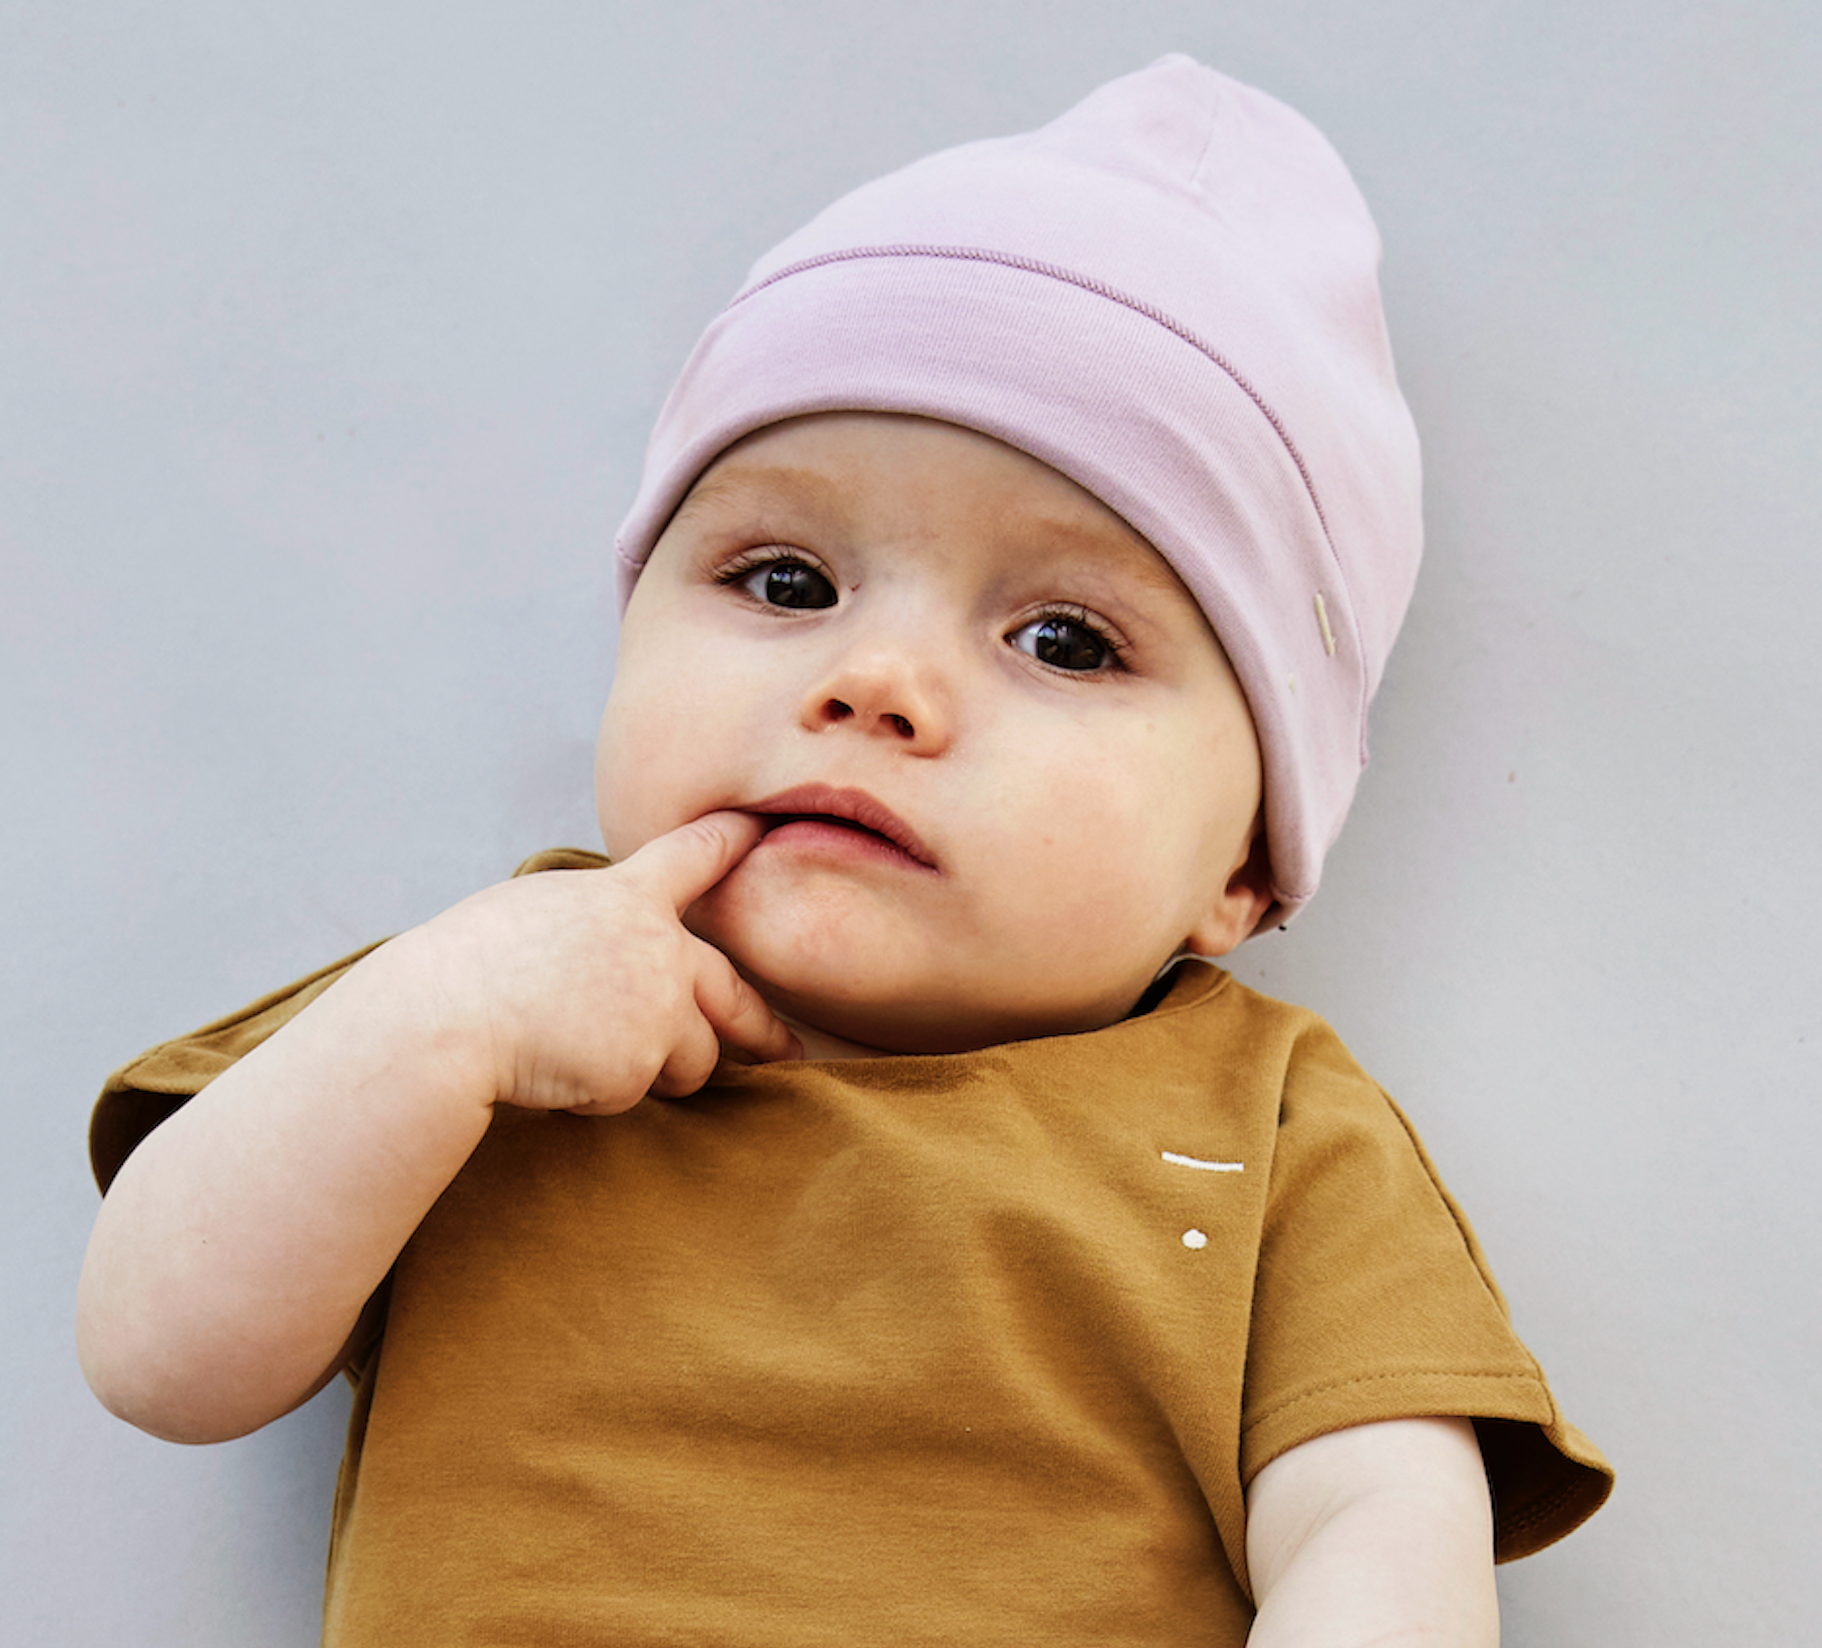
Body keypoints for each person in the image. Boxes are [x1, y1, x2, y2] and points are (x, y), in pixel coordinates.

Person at [76, 55, 1611, 1647]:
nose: (873, 683)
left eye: (1067, 640)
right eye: (787, 581)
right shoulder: (498, 996)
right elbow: (162, 1361)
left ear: (1242, 866)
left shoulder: (1276, 1131)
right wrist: (440, 1019)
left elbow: (1383, 1516)